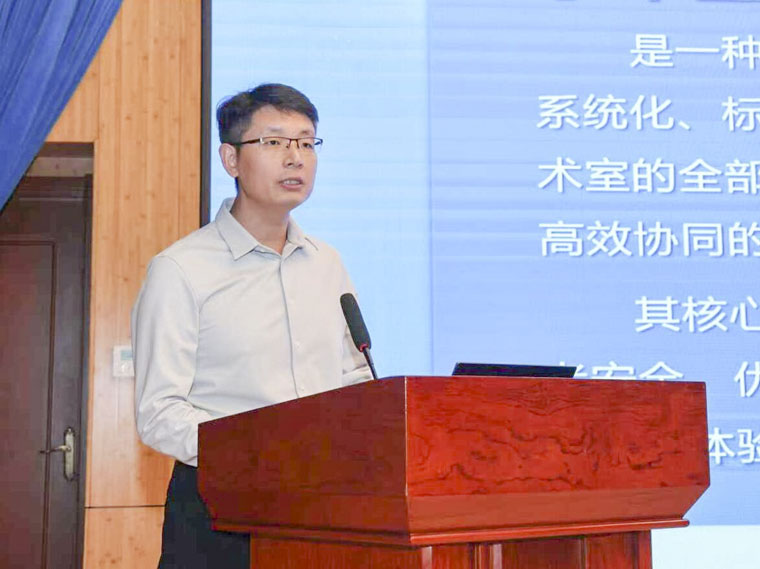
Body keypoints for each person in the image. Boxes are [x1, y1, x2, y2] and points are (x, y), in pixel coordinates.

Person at [131, 83, 373, 569]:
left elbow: (353, 376)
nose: (295, 157)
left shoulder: (327, 263)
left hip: (320, 506)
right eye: (274, 141)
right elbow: (159, 412)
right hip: (219, 511)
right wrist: (257, 452)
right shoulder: (181, 269)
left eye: (306, 142)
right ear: (231, 159)